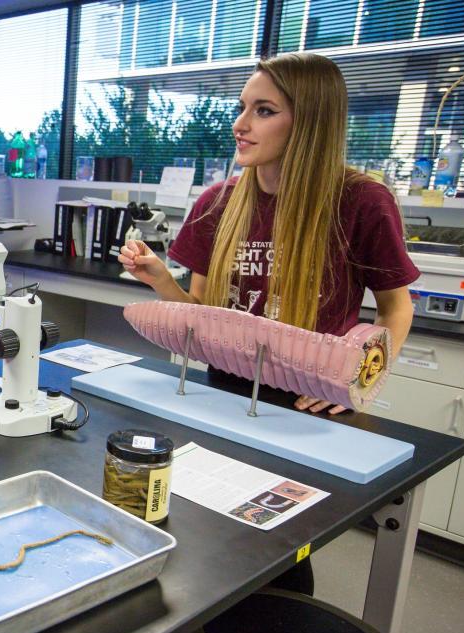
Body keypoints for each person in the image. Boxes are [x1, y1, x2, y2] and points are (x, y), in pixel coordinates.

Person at [119, 52, 417, 416]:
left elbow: (396, 308)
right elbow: (205, 316)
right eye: (242, 107)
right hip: (222, 394)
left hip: (313, 405)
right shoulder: (218, 203)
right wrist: (163, 282)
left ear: (310, 122)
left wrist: (357, 379)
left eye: (264, 111)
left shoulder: (361, 201)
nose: (239, 125)